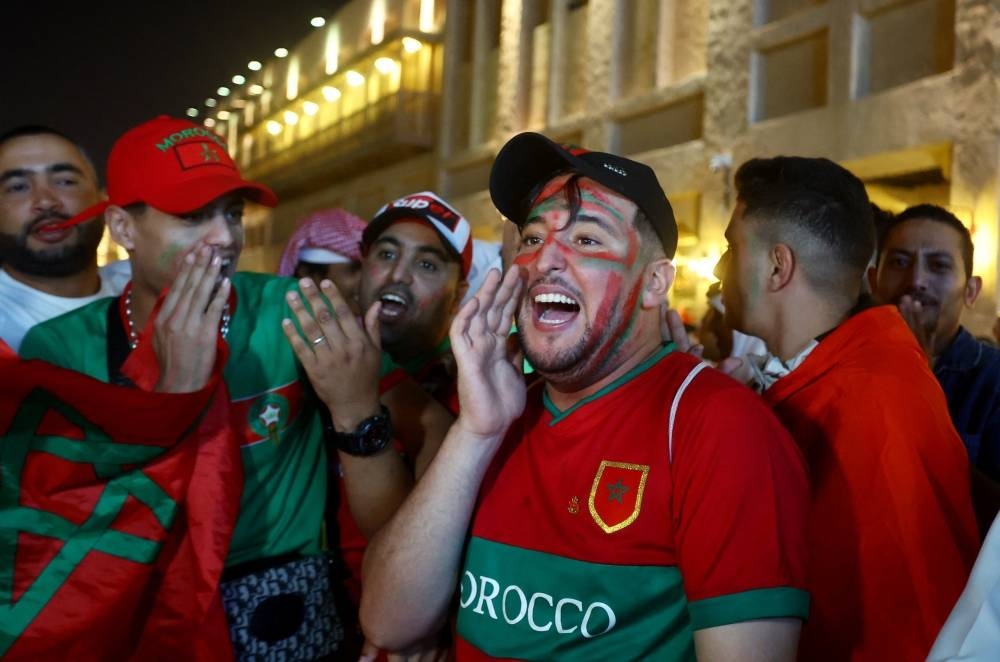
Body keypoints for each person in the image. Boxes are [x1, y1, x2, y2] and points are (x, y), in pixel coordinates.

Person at [360, 133, 812, 660]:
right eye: (531, 239)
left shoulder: (721, 430)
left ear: (653, 284)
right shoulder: (495, 415)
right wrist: (476, 431)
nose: (544, 260)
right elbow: (388, 622)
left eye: (588, 240)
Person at [19, 115, 451, 660]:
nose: (225, 238)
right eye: (193, 216)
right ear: (123, 229)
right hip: (142, 615)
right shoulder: (61, 351)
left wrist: (356, 412)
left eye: (232, 213)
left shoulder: (290, 310)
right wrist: (172, 399)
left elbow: (433, 425)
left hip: (286, 616)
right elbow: (57, 534)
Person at [717, 156, 979, 661]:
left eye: (731, 247)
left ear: (777, 266)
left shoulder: (865, 405)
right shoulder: (857, 367)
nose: (716, 267)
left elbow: (901, 626)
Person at [871, 204, 1000, 533]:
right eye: (900, 262)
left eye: (939, 266)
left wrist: (918, 384)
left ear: (970, 291)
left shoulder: (992, 378)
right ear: (874, 280)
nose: (916, 280)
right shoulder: (841, 365)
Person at [0, 125, 130, 351]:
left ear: (103, 199)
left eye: (65, 182)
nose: (46, 201)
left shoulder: (143, 287)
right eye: (18, 187)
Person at [357, 191, 472, 414]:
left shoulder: (470, 391)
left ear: (457, 296)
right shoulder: (320, 359)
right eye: (387, 254)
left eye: (426, 264)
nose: (398, 275)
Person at [278, 207, 366, 313]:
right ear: (308, 274)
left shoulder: (375, 326)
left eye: (367, 269)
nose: (367, 281)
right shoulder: (273, 327)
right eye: (353, 270)